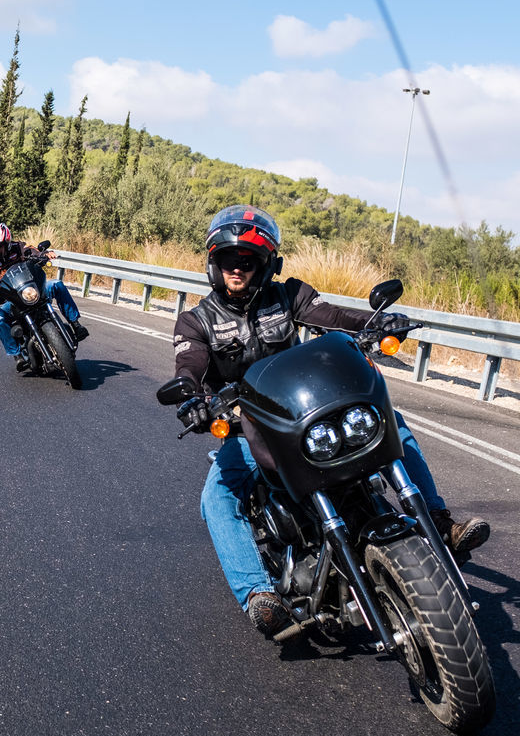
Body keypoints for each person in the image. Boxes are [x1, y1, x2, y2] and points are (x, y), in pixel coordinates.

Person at [170, 204, 490, 638]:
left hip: (310, 414)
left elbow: (334, 319)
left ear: (266, 265)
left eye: (247, 261)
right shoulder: (196, 321)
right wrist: (193, 397)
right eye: (228, 260)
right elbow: (188, 366)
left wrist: (376, 323)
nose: (237, 270)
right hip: (254, 428)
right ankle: (257, 593)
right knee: (216, 497)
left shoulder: (290, 295)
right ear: (214, 263)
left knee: (390, 421)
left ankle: (438, 520)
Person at [0, 222, 89, 371]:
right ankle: (17, 355)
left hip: (31, 290)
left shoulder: (18, 247)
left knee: (56, 285)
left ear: (7, 242)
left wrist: (45, 255)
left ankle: (75, 324)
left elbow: (33, 251)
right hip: (13, 300)